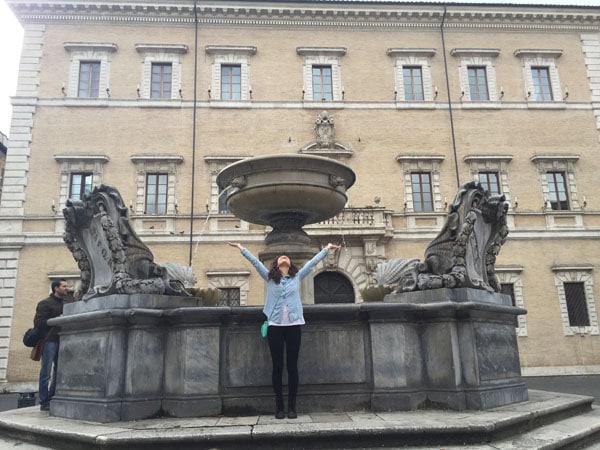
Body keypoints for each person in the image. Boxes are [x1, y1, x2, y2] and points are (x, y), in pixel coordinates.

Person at [228, 241, 340, 419]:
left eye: (287, 257)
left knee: (292, 366)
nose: (284, 257)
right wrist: (242, 248)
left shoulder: (297, 277)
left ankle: (292, 406)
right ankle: (279, 406)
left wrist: (326, 249)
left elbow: (311, 264)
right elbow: (256, 263)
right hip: (275, 326)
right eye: (281, 257)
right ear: (276, 264)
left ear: (290, 264)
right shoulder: (270, 278)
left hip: (294, 325)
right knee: (278, 366)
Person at [34, 278, 70, 411]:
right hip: (49, 340)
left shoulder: (67, 303)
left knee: (59, 371)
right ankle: (44, 401)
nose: (67, 288)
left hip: (63, 340)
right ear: (56, 288)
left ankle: (52, 397)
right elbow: (38, 323)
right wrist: (57, 320)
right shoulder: (44, 304)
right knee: (46, 372)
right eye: (64, 286)